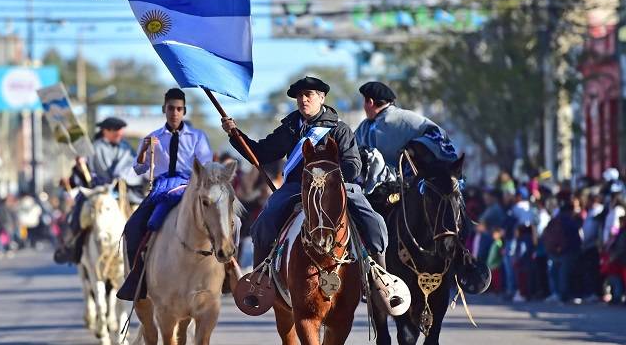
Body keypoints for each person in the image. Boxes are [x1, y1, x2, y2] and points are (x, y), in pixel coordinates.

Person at [220, 76, 389, 289]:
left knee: (374, 221)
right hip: (297, 188)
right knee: (263, 223)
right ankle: (259, 280)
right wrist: (235, 134)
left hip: (336, 187)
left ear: (322, 98)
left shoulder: (339, 129)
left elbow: (353, 164)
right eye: (299, 96)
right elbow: (261, 153)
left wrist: (329, 180)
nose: (303, 100)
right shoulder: (290, 127)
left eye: (308, 95)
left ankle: (380, 276)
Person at [354, 81, 490, 294]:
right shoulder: (368, 126)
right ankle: (367, 267)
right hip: (388, 185)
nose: (364, 106)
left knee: (449, 211)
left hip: (422, 180)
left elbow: (435, 136)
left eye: (364, 102)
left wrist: (416, 148)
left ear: (370, 102)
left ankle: (463, 261)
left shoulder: (396, 120)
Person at [117, 88, 213, 301]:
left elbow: (206, 167)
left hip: (189, 187)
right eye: (171, 108)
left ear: (184, 111)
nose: (174, 113)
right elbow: (139, 169)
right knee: (132, 227)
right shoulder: (152, 138)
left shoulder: (197, 137)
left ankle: (225, 273)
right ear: (164, 109)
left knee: (221, 221)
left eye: (179, 109)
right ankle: (137, 279)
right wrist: (144, 151)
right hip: (160, 189)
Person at [54, 116, 139, 264]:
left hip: (124, 193)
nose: (120, 133)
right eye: (116, 130)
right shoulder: (93, 149)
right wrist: (80, 167)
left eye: (120, 130)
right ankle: (73, 246)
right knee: (80, 212)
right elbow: (83, 174)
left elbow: (135, 169)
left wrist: (124, 180)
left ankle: (142, 250)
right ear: (105, 131)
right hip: (96, 192)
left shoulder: (126, 148)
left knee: (141, 214)